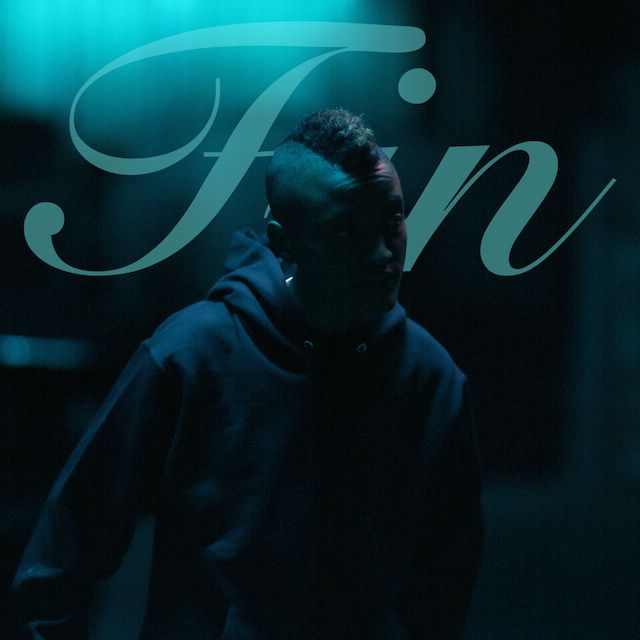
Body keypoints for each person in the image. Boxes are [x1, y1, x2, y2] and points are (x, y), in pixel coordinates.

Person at [13, 108, 483, 639]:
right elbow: (66, 549)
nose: (382, 252)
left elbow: (445, 582)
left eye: (391, 218)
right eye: (346, 227)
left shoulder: (430, 378)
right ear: (284, 241)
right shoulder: (191, 356)